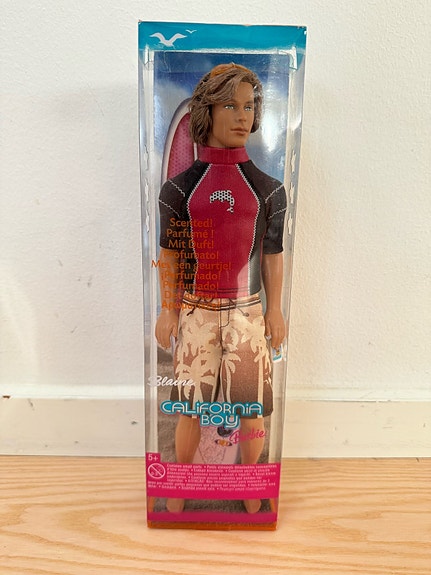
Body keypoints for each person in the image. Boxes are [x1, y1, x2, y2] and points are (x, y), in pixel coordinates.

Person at [155, 63, 287, 513]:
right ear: (206, 111)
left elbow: (272, 254)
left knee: (251, 408)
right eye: (230, 105)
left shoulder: (268, 191)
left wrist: (275, 309)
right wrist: (168, 308)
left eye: (249, 106)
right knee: (189, 406)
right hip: (195, 310)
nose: (242, 116)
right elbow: (170, 255)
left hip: (248, 312)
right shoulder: (179, 190)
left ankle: (251, 485)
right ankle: (179, 484)